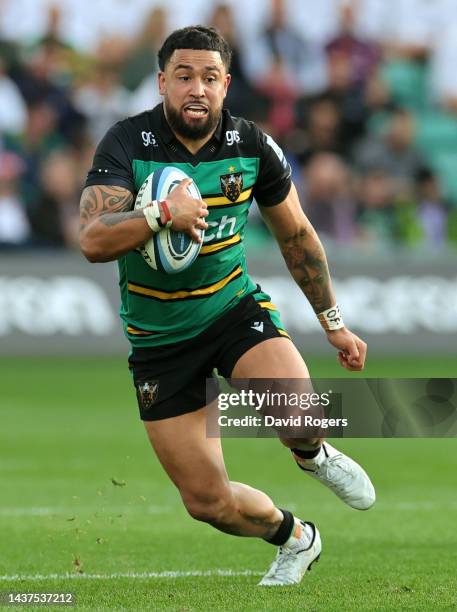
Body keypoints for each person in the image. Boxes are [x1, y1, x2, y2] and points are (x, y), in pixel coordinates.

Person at [79, 26, 375, 587]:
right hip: (159, 342)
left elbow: (297, 237)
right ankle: (296, 538)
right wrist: (161, 214)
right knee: (207, 502)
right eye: (184, 76)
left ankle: (312, 454)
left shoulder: (251, 144)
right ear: (162, 80)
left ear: (226, 84)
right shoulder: (125, 142)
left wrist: (333, 323)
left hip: (233, 312)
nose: (197, 88)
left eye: (209, 78)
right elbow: (92, 239)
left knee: (299, 418)